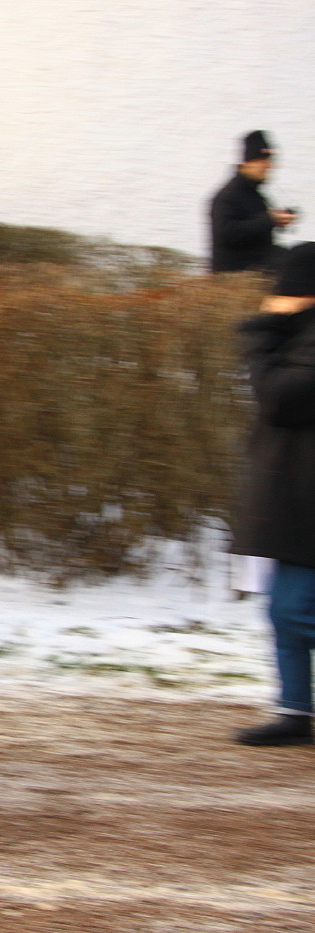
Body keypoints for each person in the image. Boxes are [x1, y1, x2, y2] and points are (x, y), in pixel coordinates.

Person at [231, 242, 315, 745]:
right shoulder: (302, 334)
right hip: (300, 500)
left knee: (295, 608)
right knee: (286, 607)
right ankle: (293, 711)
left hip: (307, 501)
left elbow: (282, 399)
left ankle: (294, 711)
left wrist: (264, 333)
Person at [210, 130, 296, 274]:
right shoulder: (227, 196)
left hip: (259, 262)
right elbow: (227, 234)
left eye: (269, 161)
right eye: (263, 161)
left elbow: (255, 224)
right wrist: (269, 219)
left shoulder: (254, 193)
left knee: (304, 255)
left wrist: (276, 220)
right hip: (238, 271)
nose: (268, 166)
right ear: (247, 163)